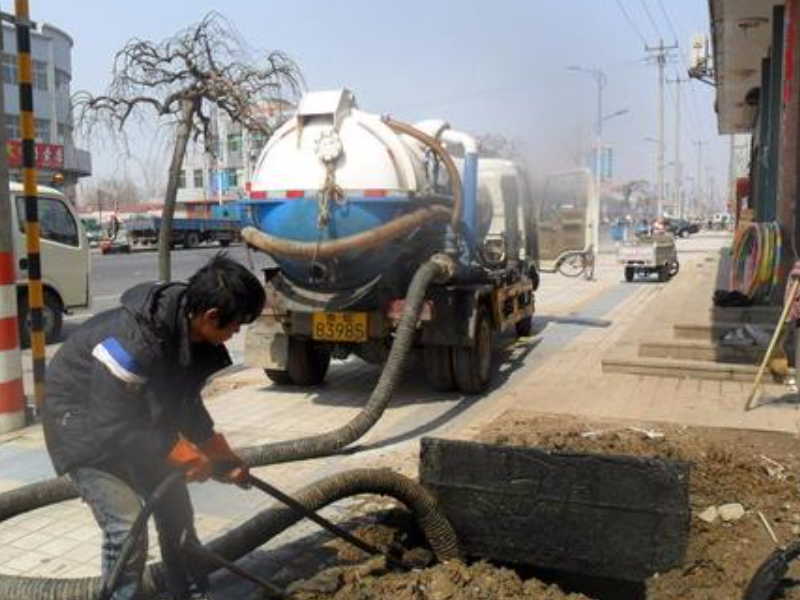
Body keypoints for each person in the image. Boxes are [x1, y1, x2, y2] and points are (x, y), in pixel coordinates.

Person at [42, 253, 266, 600]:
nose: (237, 332)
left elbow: (185, 404)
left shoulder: (187, 334)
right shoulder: (136, 344)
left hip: (130, 420)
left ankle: (188, 592)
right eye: (236, 324)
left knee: (175, 509)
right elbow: (111, 426)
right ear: (211, 316)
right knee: (127, 524)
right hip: (79, 423)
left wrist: (219, 457)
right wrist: (182, 454)